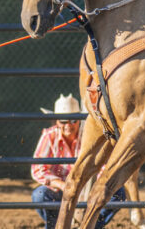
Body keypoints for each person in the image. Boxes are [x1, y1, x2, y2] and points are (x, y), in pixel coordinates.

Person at [31, 94, 126, 229]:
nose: (68, 125)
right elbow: (37, 169)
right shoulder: (50, 135)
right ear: (56, 122)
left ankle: (91, 225)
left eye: (73, 120)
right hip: (60, 192)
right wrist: (64, 186)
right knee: (40, 195)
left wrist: (95, 187)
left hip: (88, 190)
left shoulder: (90, 135)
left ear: (79, 121)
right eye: (63, 121)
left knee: (118, 192)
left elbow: (104, 164)